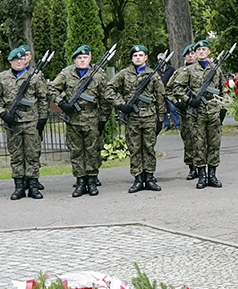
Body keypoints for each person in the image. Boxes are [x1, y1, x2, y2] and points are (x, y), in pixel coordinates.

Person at [49, 45, 110, 197]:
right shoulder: (66, 74)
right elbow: (51, 89)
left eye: (85, 58)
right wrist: (62, 103)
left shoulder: (98, 75)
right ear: (75, 60)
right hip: (73, 120)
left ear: (90, 58)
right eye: (79, 58)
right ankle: (80, 181)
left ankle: (91, 180)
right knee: (76, 152)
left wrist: (102, 119)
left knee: (92, 151)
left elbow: (106, 98)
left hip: (91, 118)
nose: (82, 60)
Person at [0, 46, 48, 200]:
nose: (19, 62)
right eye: (16, 59)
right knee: (16, 155)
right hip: (12, 122)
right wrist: (2, 113)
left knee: (32, 154)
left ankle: (33, 185)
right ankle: (19, 186)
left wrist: (42, 119)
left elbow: (43, 98)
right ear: (10, 61)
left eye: (22, 59)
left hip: (31, 121)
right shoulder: (1, 78)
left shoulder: (35, 77)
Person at [110, 45, 166, 193]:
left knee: (149, 148)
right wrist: (121, 105)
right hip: (132, 118)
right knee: (134, 148)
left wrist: (160, 119)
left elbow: (160, 98)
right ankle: (138, 178)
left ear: (146, 57)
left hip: (149, 117)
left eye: (141, 55)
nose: (138, 58)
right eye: (135, 56)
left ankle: (149, 177)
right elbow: (109, 89)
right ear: (131, 58)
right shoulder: (124, 74)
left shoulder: (153, 75)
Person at [172, 39, 225, 189]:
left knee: (214, 144)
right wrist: (188, 100)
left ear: (209, 52)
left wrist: (223, 107)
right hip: (197, 114)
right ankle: (202, 175)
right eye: (198, 50)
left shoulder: (216, 69)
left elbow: (224, 89)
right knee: (199, 145)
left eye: (204, 49)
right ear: (195, 53)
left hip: (213, 112)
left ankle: (212, 175)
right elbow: (177, 87)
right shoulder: (188, 71)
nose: (201, 52)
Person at [167, 44, 199, 179]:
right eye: (188, 54)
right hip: (186, 112)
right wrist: (177, 103)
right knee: (188, 141)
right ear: (184, 56)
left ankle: (203, 167)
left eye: (193, 53)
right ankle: (192, 167)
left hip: (201, 111)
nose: (191, 56)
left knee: (202, 140)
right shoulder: (179, 72)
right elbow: (168, 90)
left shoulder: (204, 70)